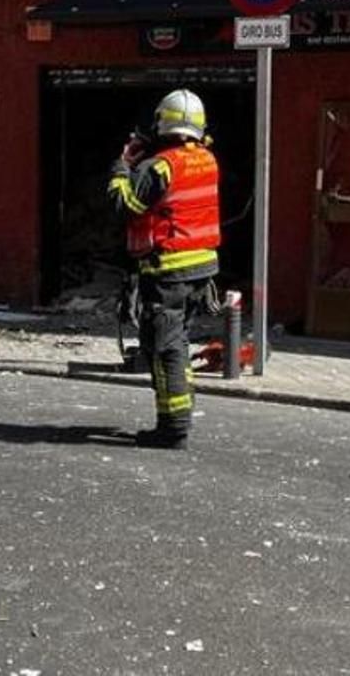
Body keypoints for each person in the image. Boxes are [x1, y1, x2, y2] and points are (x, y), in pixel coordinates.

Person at [106, 89, 220, 449]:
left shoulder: (160, 166)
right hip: (200, 269)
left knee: (164, 349)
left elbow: (124, 203)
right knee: (179, 343)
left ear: (162, 123)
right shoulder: (206, 159)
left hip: (169, 270)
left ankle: (173, 428)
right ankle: (177, 418)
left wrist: (123, 164)